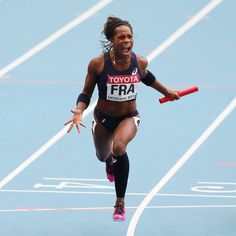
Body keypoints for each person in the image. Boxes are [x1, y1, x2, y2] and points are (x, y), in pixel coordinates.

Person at [64, 16, 180, 221]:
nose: (126, 41)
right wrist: (79, 110)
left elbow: (146, 77)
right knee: (103, 155)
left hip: (128, 117)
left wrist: (166, 91)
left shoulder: (139, 61)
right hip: (102, 118)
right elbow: (86, 92)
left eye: (130, 37)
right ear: (111, 39)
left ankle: (120, 203)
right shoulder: (98, 64)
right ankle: (110, 162)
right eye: (121, 38)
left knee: (119, 147)